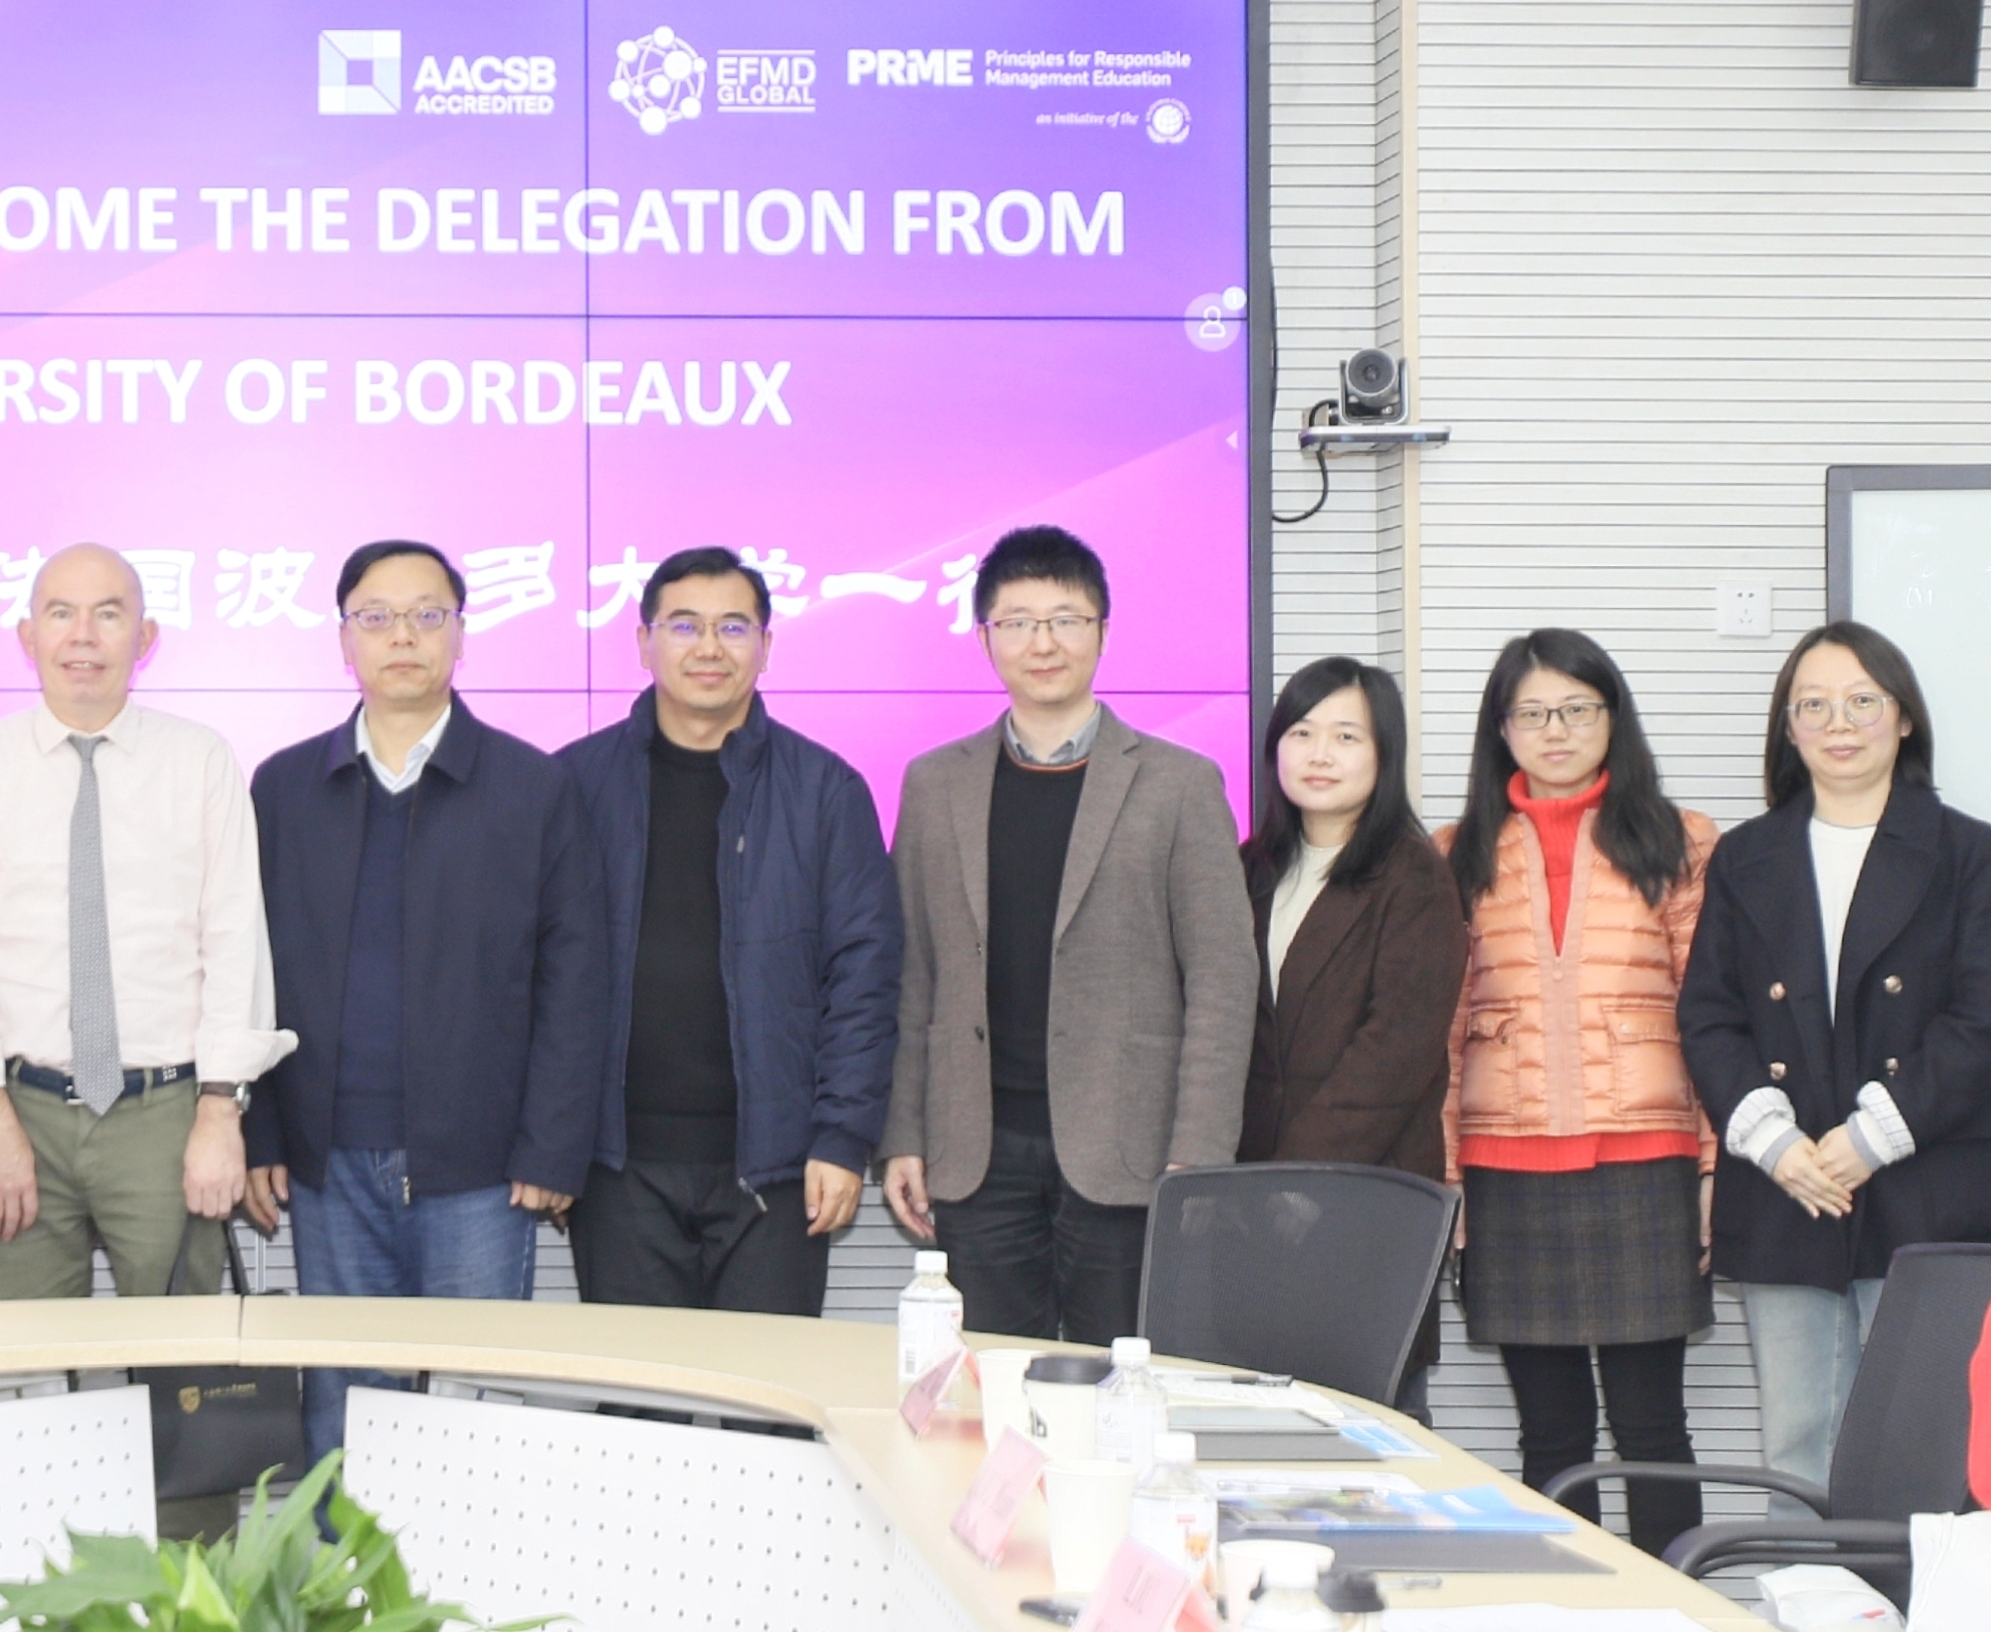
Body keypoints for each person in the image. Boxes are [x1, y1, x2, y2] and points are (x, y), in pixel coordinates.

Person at [241, 540, 609, 1463]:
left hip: (481, 1164)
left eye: (426, 615)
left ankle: (464, 1565)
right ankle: (344, 1562)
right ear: (344, 640)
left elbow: (575, 981)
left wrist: (552, 1146)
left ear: (459, 633)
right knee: (343, 1401)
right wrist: (262, 1135)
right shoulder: (284, 787)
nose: (401, 635)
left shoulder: (534, 787)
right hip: (326, 1161)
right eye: (376, 617)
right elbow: (249, 970)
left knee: (470, 1403)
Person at [878, 525, 1256, 1343]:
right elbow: (914, 976)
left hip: (1130, 1151)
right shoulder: (934, 783)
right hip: (975, 1150)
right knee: (990, 1380)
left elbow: (1223, 982)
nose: (1041, 643)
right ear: (985, 638)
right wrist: (903, 1133)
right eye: (1017, 622)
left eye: (1065, 620)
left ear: (1103, 632)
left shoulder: (1180, 784)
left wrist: (1198, 1153)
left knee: (1124, 1382)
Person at [1681, 622, 1991, 1501]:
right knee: (1796, 1442)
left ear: (1903, 717)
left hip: (1929, 1178)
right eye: (1814, 705)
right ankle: (1803, 1584)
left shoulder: (1966, 850)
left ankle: (1916, 1588)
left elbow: (1986, 1020)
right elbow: (1710, 1016)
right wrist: (1775, 1143)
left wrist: (1871, 1137)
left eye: (1862, 701)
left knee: (1929, 1440)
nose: (1839, 723)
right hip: (1788, 1182)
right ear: (1788, 728)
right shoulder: (1746, 855)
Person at [0, 544, 292, 1300]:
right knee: (29, 1357)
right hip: (20, 1112)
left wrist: (220, 1115)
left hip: (166, 1117)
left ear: (144, 639)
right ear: (28, 638)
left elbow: (236, 946)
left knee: (179, 1356)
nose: (83, 635)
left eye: (108, 615)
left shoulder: (200, 761)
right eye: (61, 613)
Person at [558, 546, 901, 1320]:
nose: (708, 647)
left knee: (767, 1392)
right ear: (644, 643)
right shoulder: (573, 785)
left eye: (733, 627)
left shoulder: (826, 790)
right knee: (635, 1392)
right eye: (684, 626)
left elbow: (865, 978)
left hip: (777, 1169)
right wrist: (551, 1144)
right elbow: (537, 978)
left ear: (766, 646)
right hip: (617, 1170)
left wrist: (842, 1138)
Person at [1441, 628, 1717, 1562]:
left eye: (1576, 709)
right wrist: (1448, 1178)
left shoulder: (1680, 840)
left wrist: (1713, 1164)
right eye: (1531, 713)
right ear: (1501, 729)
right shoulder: (1456, 851)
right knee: (1550, 1436)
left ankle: (1676, 1609)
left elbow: (1709, 1014)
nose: (1554, 730)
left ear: (1612, 717)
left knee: (1653, 1429)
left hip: (1645, 1163)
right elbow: (1442, 1032)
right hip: (1504, 1168)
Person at [1235, 656, 1469, 1420]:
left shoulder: (1414, 876)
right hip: (1247, 1193)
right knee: (1264, 1419)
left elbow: (1397, 1048)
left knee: (1376, 1419)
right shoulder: (1249, 867)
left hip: (1366, 1191)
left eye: (1346, 736)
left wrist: (1303, 1174)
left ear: (1384, 754)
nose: (1321, 754)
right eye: (1302, 733)